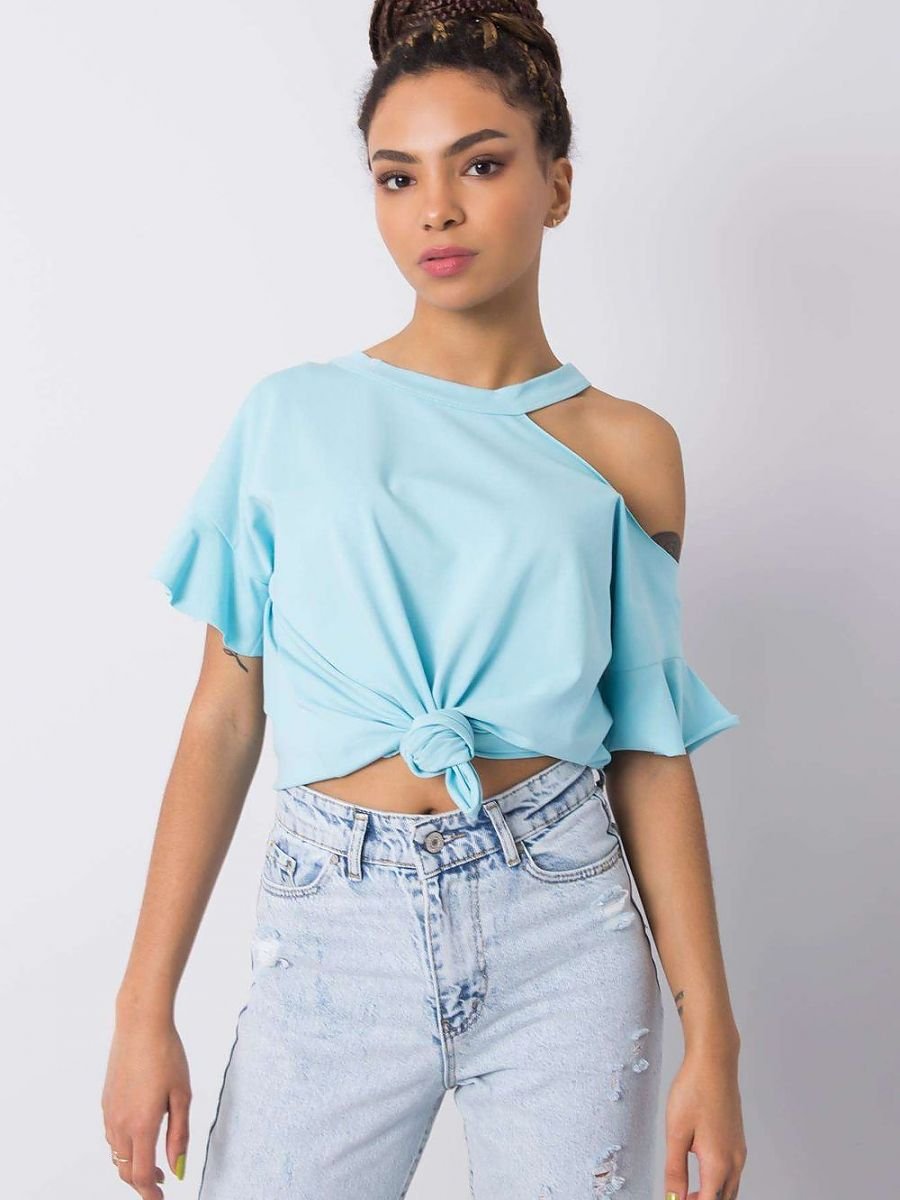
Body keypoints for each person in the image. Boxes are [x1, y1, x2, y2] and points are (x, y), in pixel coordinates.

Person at [102, 3, 748, 1198]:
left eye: (480, 165)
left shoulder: (630, 449)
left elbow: (649, 747)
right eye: (398, 177)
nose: (435, 210)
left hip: (565, 929)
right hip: (331, 924)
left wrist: (714, 1039)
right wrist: (144, 1008)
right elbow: (223, 717)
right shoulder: (290, 418)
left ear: (558, 185)